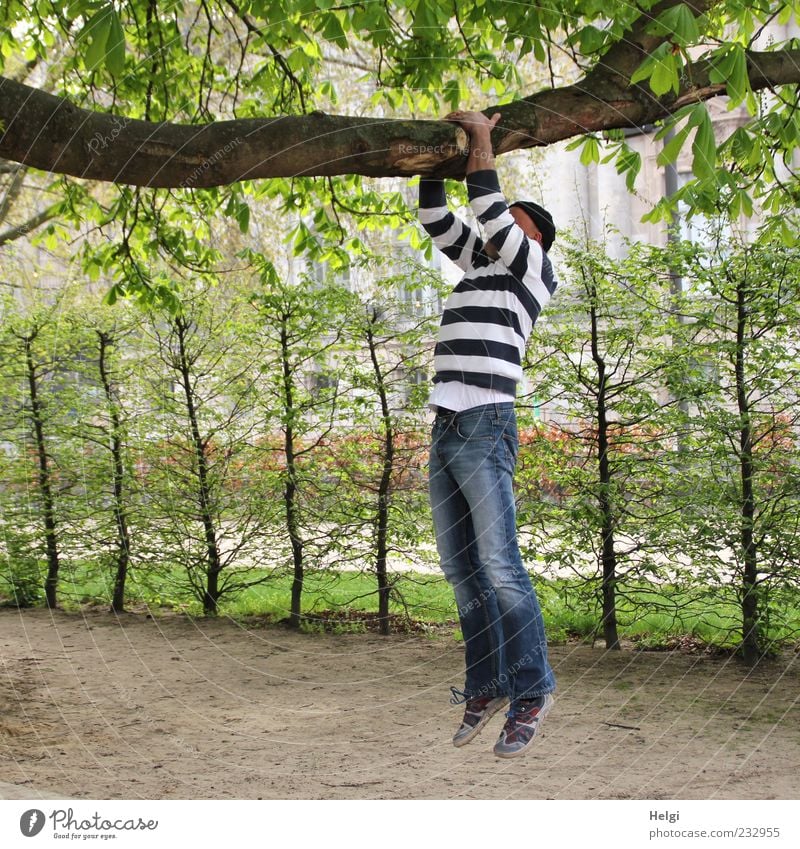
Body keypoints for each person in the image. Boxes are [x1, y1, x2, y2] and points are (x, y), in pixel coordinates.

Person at [418, 110, 557, 758]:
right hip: (446, 422)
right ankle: (487, 685)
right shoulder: (479, 265)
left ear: (533, 236)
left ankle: (532, 690)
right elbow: (438, 218)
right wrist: (437, 159)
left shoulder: (532, 270)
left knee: (501, 568)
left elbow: (490, 210)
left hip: (486, 423)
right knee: (462, 570)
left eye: (514, 217)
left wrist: (481, 138)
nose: (499, 222)